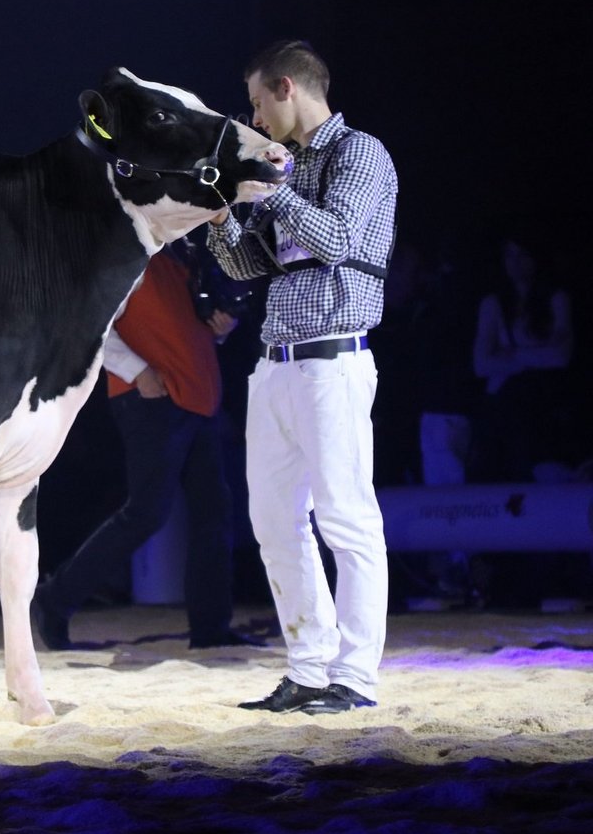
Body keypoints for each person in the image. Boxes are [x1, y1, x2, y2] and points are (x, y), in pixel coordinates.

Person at [206, 39, 398, 715]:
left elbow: (338, 240)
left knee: (347, 519)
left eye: (259, 104)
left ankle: (354, 677)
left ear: (286, 88)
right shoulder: (286, 168)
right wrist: (224, 212)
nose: (255, 120)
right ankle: (309, 669)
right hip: (276, 364)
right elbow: (249, 266)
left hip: (333, 360)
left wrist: (278, 189)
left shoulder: (360, 154)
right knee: (274, 523)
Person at [32, 235, 263, 651]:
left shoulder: (182, 254)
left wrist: (222, 327)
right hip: (154, 396)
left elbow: (190, 324)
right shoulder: (126, 249)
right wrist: (137, 371)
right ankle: (55, 597)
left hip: (197, 394)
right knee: (146, 513)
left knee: (214, 514)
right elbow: (89, 324)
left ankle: (210, 629)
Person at [468, 235, 576, 483]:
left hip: (545, 402)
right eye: (509, 255)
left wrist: (513, 355)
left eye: (522, 255)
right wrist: (536, 355)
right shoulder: (493, 303)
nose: (515, 263)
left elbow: (560, 356)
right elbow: (481, 364)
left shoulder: (556, 299)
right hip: (504, 404)